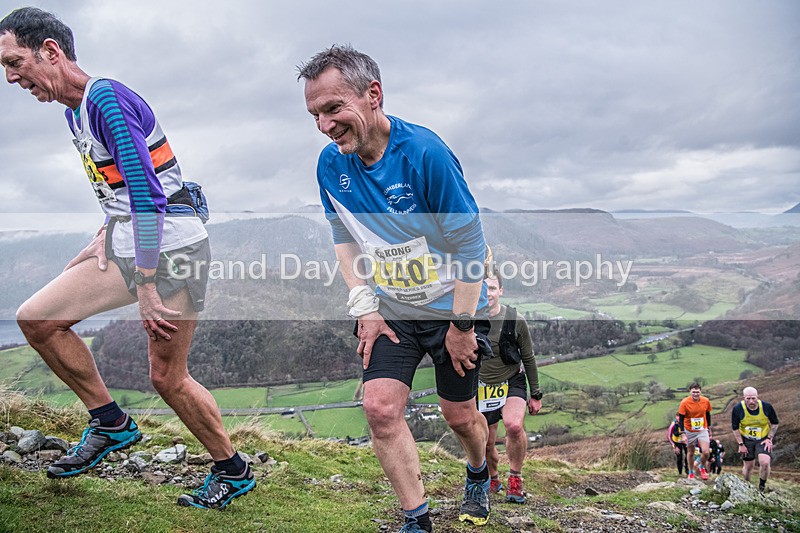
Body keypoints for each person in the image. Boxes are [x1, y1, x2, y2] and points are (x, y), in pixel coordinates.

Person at [0, 7, 254, 509]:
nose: (11, 77)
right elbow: (120, 188)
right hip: (129, 239)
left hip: (173, 250)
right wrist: (104, 232)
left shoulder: (107, 100)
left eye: (14, 62)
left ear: (50, 51)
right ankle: (111, 423)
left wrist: (145, 284)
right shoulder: (74, 110)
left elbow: (146, 193)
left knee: (167, 377)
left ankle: (233, 469)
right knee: (37, 318)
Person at [298, 45, 492, 532]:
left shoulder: (426, 154)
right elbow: (344, 237)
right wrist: (365, 305)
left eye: (333, 109)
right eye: (315, 114)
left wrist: (462, 325)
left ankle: (477, 472)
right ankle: (417, 518)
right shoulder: (329, 166)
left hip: (453, 308)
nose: (324, 125)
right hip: (392, 309)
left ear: (373, 95)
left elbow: (471, 247)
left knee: (460, 415)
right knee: (380, 409)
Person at [478, 271, 542, 504]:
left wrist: (535, 394)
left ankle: (515, 477)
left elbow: (529, 357)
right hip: (481, 386)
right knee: (485, 440)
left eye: (493, 288)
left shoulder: (515, 320)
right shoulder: (469, 320)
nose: (488, 293)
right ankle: (492, 477)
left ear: (501, 291)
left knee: (514, 426)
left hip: (511, 380)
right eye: (483, 288)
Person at [731, 386, 780, 492]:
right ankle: (747, 486)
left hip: (762, 438)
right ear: (744, 398)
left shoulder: (766, 407)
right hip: (746, 439)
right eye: (748, 399)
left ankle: (761, 486)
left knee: (765, 462)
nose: (751, 401)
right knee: (748, 466)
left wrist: (769, 438)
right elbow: (735, 428)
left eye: (753, 398)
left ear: (758, 397)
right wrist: (741, 444)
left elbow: (775, 423)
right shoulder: (738, 408)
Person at [677, 383, 712, 480]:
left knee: (706, 452)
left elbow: (708, 414)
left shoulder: (705, 401)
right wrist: (683, 434)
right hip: (689, 429)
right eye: (693, 392)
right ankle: (691, 472)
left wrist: (709, 428)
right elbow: (681, 419)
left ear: (700, 391)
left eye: (697, 392)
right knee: (691, 452)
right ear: (690, 392)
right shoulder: (684, 402)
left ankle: (701, 467)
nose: (696, 394)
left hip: (702, 429)